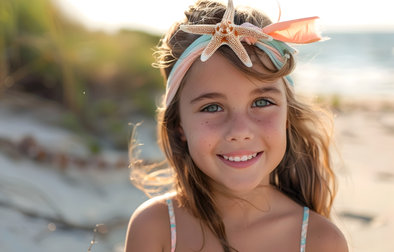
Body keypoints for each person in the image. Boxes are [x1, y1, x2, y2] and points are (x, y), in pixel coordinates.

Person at [125, 0, 348, 251]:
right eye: (212, 107)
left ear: (287, 116)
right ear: (179, 126)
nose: (240, 131)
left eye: (262, 102)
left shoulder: (319, 241)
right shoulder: (156, 228)